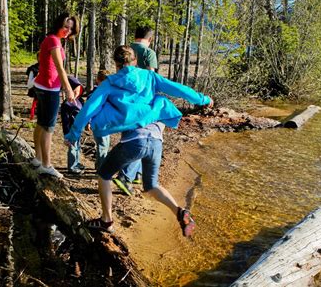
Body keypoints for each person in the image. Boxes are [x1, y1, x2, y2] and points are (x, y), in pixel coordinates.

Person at [64, 45, 213, 237]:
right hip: (156, 140)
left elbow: (88, 109)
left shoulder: (109, 83)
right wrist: (203, 99)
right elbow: (179, 89)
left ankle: (106, 220)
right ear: (135, 61)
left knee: (104, 174)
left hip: (135, 141)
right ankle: (180, 211)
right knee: (151, 186)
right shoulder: (149, 77)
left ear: (116, 64)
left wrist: (73, 134)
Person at [31, 13, 79, 179]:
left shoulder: (53, 39)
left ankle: (37, 159)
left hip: (42, 86)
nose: (68, 30)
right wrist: (69, 90)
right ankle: (46, 165)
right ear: (58, 24)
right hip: (49, 89)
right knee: (48, 128)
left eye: (71, 28)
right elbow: (59, 67)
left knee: (41, 123)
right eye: (65, 26)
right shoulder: (53, 41)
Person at [112, 26, 159, 193]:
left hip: (126, 100)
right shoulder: (149, 53)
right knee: (142, 137)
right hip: (143, 103)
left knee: (130, 137)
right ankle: (125, 177)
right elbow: (151, 78)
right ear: (150, 39)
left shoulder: (128, 50)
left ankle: (137, 174)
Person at [60, 75, 85, 174]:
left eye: (78, 90)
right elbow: (65, 120)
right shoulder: (66, 104)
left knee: (77, 147)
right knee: (72, 148)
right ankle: (72, 167)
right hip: (71, 130)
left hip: (79, 129)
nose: (76, 92)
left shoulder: (80, 101)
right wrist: (66, 135)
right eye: (74, 90)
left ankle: (76, 162)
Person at [26, 53, 39, 120]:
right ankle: (32, 116)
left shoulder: (50, 67)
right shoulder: (33, 69)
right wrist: (37, 77)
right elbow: (29, 85)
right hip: (36, 90)